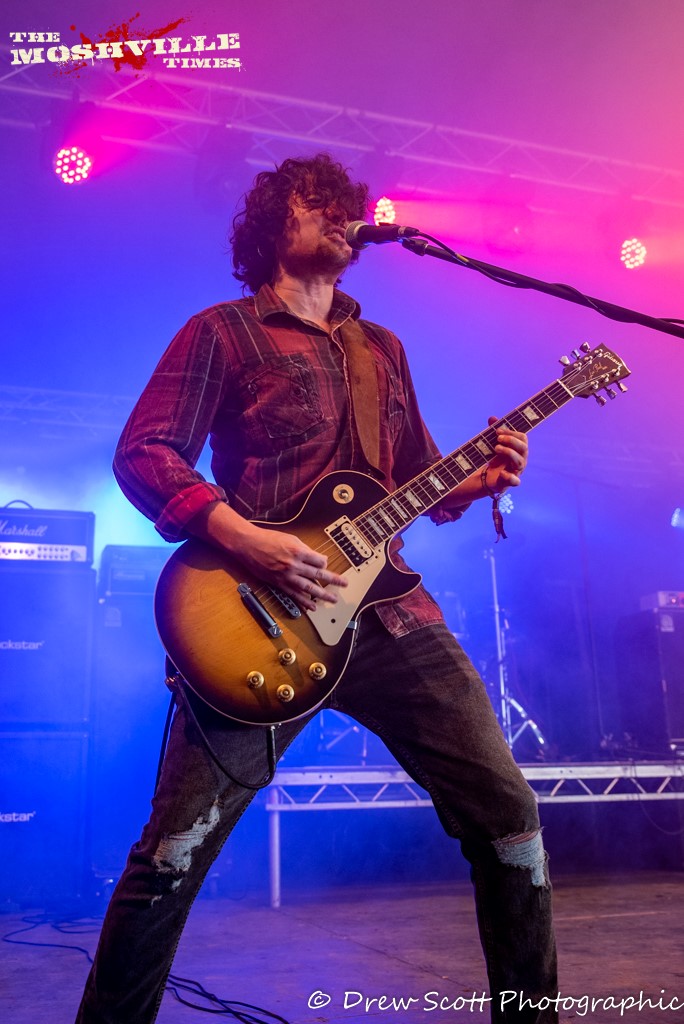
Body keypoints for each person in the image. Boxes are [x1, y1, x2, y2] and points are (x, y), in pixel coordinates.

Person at [76, 152, 557, 1024]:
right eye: (318, 204)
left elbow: (413, 478)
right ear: (271, 226)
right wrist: (245, 539)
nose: (343, 217)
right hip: (258, 618)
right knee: (173, 854)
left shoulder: (383, 348)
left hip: (392, 615)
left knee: (510, 815)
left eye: (348, 208)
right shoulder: (223, 331)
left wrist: (482, 480)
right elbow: (145, 453)